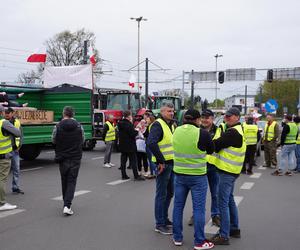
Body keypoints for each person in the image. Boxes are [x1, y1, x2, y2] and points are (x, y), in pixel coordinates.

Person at [172, 109, 215, 250]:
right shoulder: (202, 133)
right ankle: (199, 242)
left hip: (179, 174)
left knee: (178, 207)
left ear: (184, 118)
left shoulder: (176, 131)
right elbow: (210, 150)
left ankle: (177, 238)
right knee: (199, 209)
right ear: (197, 120)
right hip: (197, 177)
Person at [210, 107, 246, 245]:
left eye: (229, 116)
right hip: (232, 171)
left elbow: (215, 145)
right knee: (229, 200)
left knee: (222, 203)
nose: (226, 118)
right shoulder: (237, 130)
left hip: (227, 172)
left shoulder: (232, 133)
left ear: (237, 117)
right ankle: (234, 229)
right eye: (225, 116)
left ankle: (224, 235)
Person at [188, 109, 220, 227]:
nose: (205, 120)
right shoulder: (196, 130)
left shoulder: (219, 130)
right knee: (197, 194)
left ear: (212, 119)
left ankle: (215, 215)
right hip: (199, 166)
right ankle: (195, 215)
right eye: (203, 117)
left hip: (213, 166)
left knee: (215, 193)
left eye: (207, 118)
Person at [148, 103, 175, 235]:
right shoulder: (158, 124)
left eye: (172, 111)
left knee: (169, 193)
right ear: (162, 112)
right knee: (161, 194)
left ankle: (164, 219)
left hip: (171, 163)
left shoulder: (171, 124)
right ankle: (159, 224)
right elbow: (151, 142)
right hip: (163, 165)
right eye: (169, 111)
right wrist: (160, 160)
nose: (171, 113)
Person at [52, 106, 84, 216]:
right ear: (73, 114)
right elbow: (82, 139)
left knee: (64, 179)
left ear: (64, 113)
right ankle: (67, 205)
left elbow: (54, 140)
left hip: (62, 156)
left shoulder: (57, 126)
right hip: (75, 157)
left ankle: (65, 203)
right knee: (72, 180)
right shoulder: (79, 126)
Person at [0, 106, 21, 211]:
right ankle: (2, 203)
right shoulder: (3, 123)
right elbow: (18, 133)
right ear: (2, 112)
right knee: (2, 179)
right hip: (3, 156)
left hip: (8, 152)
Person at [117, 110, 145, 181]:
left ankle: (123, 175)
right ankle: (136, 176)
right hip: (130, 145)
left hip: (122, 145)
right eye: (131, 116)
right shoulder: (129, 124)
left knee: (123, 161)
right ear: (129, 116)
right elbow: (132, 134)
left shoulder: (120, 123)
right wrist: (137, 130)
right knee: (133, 161)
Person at [3, 108, 24, 194]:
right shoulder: (2, 122)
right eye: (5, 113)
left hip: (15, 150)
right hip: (5, 151)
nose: (7, 114)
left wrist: (20, 145)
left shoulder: (17, 122)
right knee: (3, 172)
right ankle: (2, 190)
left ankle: (15, 187)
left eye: (8, 113)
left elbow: (21, 134)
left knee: (16, 169)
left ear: (12, 113)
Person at [144, 111, 156, 179]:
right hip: (152, 144)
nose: (146, 120)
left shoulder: (150, 126)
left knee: (150, 159)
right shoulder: (153, 125)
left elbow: (146, 134)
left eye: (148, 119)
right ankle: (153, 172)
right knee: (152, 159)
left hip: (149, 144)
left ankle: (153, 172)